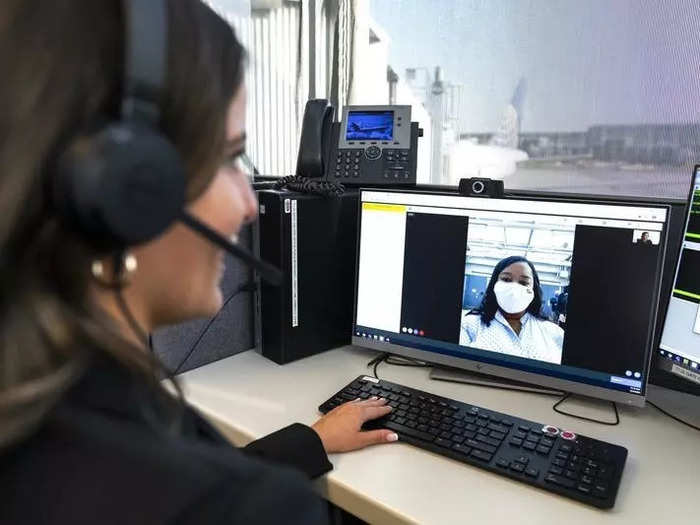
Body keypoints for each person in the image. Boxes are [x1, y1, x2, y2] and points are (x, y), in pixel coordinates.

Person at [0, 2, 397, 523]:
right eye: (231, 157)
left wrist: (308, 443)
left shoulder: (40, 420)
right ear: (125, 187)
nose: (251, 204)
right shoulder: (249, 509)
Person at [460, 256, 564, 364]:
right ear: (494, 284)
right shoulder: (469, 325)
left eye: (524, 283)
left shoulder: (554, 332)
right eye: (506, 279)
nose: (514, 289)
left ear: (534, 289)